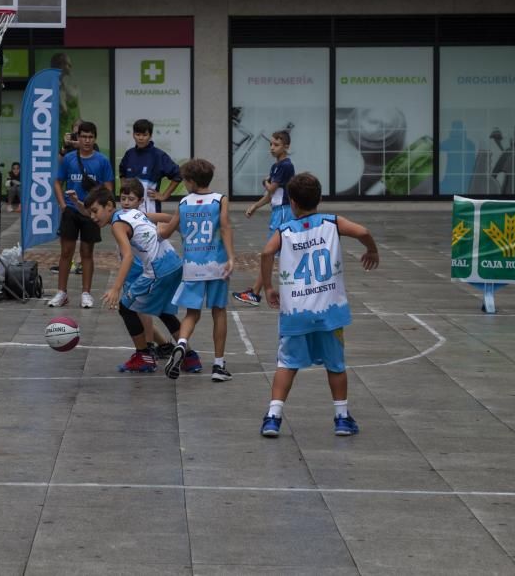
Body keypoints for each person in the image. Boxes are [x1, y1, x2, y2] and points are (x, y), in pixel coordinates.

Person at [258, 172, 379, 438]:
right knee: (335, 364)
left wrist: (268, 286)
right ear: (320, 199)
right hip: (329, 312)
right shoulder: (332, 223)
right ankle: (342, 418)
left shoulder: (285, 231)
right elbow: (364, 232)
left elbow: (266, 253)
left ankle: (273, 418)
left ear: (291, 203)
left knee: (286, 363)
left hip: (295, 313)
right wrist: (372, 250)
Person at [85, 186, 184, 374]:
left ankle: (143, 357)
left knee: (126, 307)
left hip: (158, 270)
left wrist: (115, 288)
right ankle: (189, 356)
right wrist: (179, 226)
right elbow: (161, 217)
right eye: (90, 213)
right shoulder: (131, 212)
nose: (92, 217)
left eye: (95, 211)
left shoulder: (117, 224)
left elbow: (128, 256)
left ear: (108, 206)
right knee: (162, 310)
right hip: (174, 262)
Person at [158, 158, 236, 382]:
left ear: (191, 181)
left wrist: (154, 225)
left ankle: (181, 344)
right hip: (216, 265)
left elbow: (167, 232)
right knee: (218, 311)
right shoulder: (220, 200)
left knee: (192, 313)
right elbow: (225, 227)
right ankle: (219, 365)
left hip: (192, 265)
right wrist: (231, 257)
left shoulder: (184, 203)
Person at [48, 121, 114, 309]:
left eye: (90, 137)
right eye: (83, 137)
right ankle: (62, 292)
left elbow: (108, 188)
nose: (86, 140)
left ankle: (86, 293)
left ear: (95, 138)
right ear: (78, 138)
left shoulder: (102, 160)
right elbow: (58, 182)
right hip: (70, 210)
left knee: (87, 252)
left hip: (91, 213)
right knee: (66, 252)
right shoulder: (68, 158)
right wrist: (63, 205)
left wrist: (100, 210)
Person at [233, 129, 295, 307]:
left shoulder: (285, 166)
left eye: (276, 145)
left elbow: (271, 189)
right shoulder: (276, 166)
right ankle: (255, 292)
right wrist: (255, 205)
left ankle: (255, 292)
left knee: (270, 252)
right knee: (274, 254)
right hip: (277, 211)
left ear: (286, 146)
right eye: (271, 144)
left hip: (283, 212)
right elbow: (269, 196)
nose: (272, 148)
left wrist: (265, 182)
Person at [119, 118, 182, 213]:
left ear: (150, 136)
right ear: (133, 135)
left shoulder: (158, 155)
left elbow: (178, 175)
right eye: (138, 134)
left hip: (150, 211)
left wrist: (164, 195)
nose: (140, 138)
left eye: (144, 135)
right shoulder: (129, 154)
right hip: (128, 211)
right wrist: (125, 193)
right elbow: (122, 174)